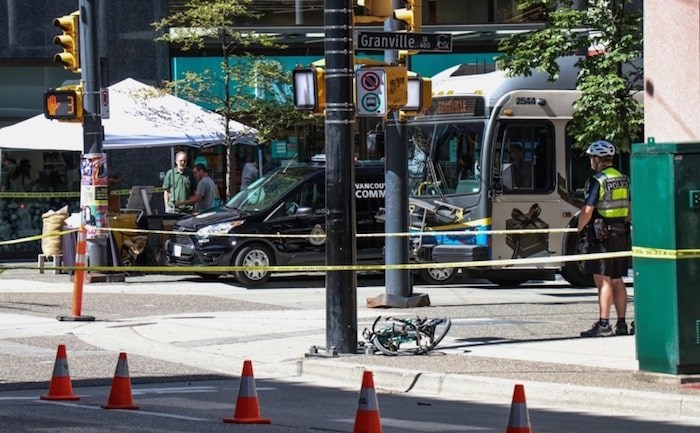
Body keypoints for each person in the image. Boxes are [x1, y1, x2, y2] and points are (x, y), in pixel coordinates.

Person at [577, 140, 631, 337]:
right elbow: (628, 209)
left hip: (602, 236)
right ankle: (622, 324)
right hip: (621, 233)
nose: (591, 161)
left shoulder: (597, 180)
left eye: (592, 157)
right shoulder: (624, 179)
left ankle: (603, 323)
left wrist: (580, 228)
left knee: (603, 280)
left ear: (598, 159)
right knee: (617, 279)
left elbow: (588, 210)